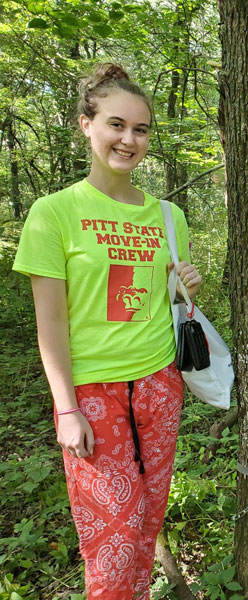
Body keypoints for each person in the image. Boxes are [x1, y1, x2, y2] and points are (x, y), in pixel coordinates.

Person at [13, 63, 202, 598]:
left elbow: (164, 299)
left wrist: (187, 280)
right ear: (86, 125)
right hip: (92, 392)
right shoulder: (54, 213)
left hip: (160, 383)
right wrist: (67, 408)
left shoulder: (168, 217)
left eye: (140, 130)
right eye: (117, 125)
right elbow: (48, 321)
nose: (129, 139)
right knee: (112, 539)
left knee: (145, 522)